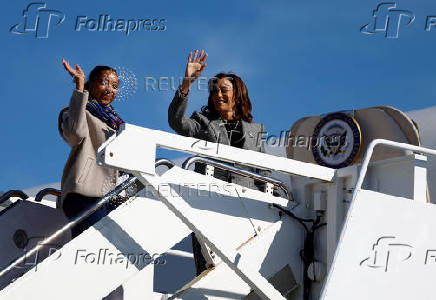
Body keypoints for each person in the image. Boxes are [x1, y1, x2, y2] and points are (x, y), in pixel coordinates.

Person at [168, 50, 270, 275]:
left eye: (224, 90)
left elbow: (263, 175)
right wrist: (187, 83)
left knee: (244, 270)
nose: (218, 95)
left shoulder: (255, 131)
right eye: (214, 91)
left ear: (237, 95)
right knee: (210, 270)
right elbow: (177, 122)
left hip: (246, 211)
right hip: (210, 205)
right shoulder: (203, 122)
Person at [59, 59, 124, 239]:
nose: (110, 89)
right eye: (104, 83)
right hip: (84, 193)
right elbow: (75, 134)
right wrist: (80, 88)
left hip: (112, 196)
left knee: (109, 253)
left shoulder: (116, 123)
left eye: (115, 86)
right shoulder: (77, 112)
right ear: (91, 83)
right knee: (93, 245)